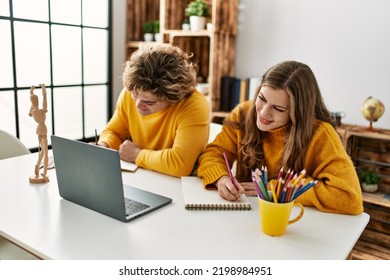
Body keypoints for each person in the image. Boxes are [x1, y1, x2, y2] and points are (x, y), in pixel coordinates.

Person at [197, 61, 363, 215]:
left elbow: (349, 197)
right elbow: (213, 154)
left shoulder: (320, 134)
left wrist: (276, 189)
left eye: (277, 108)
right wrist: (221, 178)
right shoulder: (243, 113)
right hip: (244, 214)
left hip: (294, 221)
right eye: (262, 99)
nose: (263, 113)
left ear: (298, 113)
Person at [98, 44, 210, 177]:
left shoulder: (194, 105)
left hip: (174, 183)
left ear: (173, 98)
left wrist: (137, 154)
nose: (138, 105)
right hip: (141, 175)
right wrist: (104, 146)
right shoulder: (134, 90)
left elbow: (180, 164)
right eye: (135, 96)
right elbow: (114, 132)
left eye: (149, 102)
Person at [29, 84, 49, 183]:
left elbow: (33, 102)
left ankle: (37, 165)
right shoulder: (41, 111)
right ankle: (44, 173)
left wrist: (31, 92)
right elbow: (45, 98)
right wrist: (43, 89)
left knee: (42, 150)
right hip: (43, 129)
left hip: (38, 130)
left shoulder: (33, 112)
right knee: (46, 152)